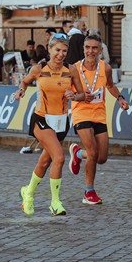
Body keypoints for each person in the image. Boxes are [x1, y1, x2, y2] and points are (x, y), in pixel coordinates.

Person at [14, 33, 90, 216]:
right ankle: (55, 202)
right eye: (57, 50)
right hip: (41, 119)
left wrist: (75, 96)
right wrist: (20, 91)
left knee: (45, 161)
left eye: (64, 51)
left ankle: (28, 192)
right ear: (49, 49)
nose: (61, 54)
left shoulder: (71, 70)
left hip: (61, 121)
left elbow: (83, 95)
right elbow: (24, 82)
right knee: (59, 157)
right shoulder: (38, 69)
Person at [68, 34, 129, 204]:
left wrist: (120, 99)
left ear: (100, 50)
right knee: (93, 152)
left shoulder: (106, 68)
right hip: (81, 113)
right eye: (87, 47)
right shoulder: (74, 69)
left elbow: (109, 85)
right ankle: (89, 192)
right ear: (83, 49)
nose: (90, 51)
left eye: (94, 48)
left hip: (99, 114)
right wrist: (78, 96)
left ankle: (78, 153)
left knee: (101, 157)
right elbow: (67, 93)